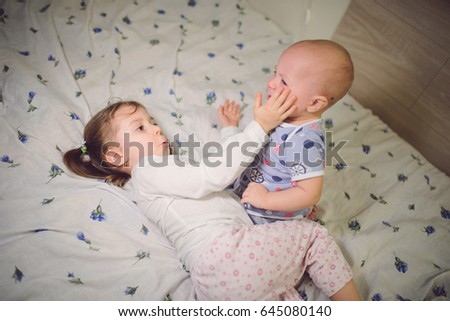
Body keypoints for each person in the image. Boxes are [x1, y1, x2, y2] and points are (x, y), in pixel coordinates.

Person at [63, 96, 360, 300]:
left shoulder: (164, 173)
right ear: (115, 154)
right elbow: (216, 173)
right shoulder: (148, 170)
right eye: (140, 127)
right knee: (313, 236)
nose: (155, 127)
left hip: (218, 282)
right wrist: (259, 127)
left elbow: (221, 174)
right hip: (225, 257)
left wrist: (230, 129)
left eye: (152, 120)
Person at [219, 40, 354, 224]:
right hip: (245, 187)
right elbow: (253, 144)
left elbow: (310, 193)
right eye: (276, 73)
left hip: (266, 216)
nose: (271, 84)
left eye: (284, 81)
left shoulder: (305, 141)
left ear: (314, 103)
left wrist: (266, 200)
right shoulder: (282, 114)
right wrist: (232, 128)